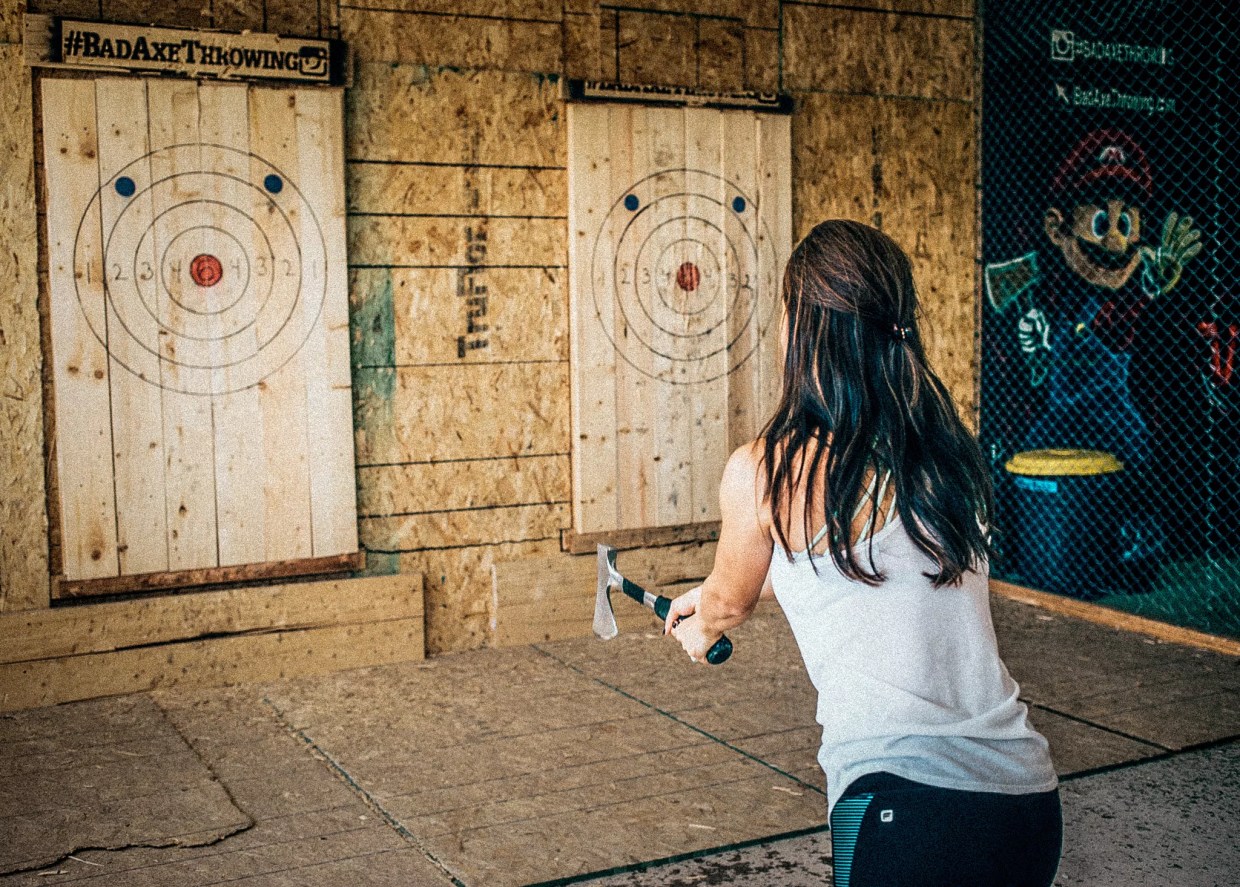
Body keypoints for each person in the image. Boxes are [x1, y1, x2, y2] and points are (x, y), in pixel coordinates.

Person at [665, 220, 1062, 887]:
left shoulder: (767, 469)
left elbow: (728, 600)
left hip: (904, 804)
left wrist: (702, 624)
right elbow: (849, 569)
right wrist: (711, 598)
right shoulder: (944, 457)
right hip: (1026, 804)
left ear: (806, 329)